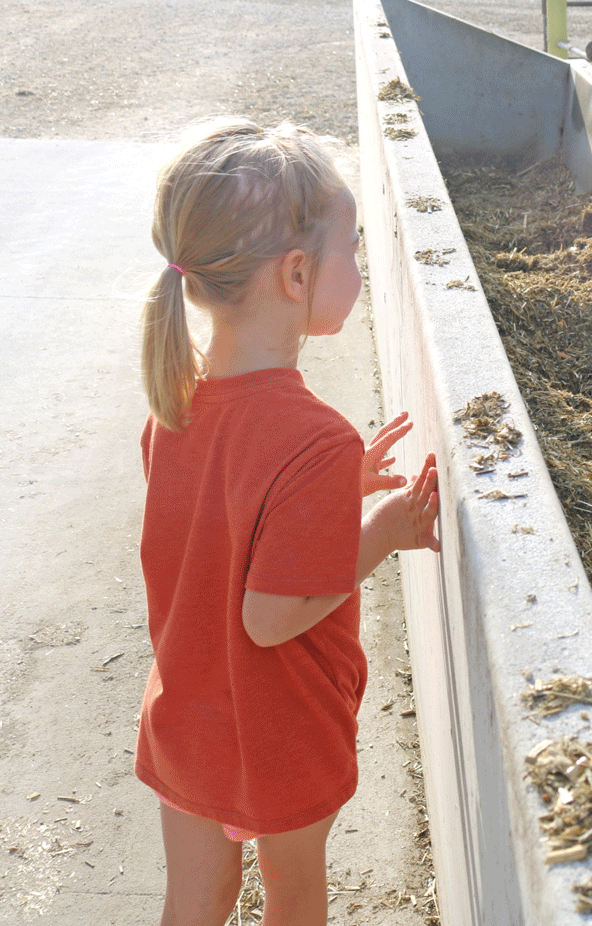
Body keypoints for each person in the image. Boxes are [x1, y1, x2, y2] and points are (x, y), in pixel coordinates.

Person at [135, 118, 440, 926]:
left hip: (187, 711)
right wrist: (382, 526)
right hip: (277, 725)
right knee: (294, 896)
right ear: (297, 274)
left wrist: (334, 491)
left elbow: (221, 525)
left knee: (197, 901)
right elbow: (271, 616)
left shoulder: (175, 400)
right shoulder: (311, 437)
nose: (360, 271)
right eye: (353, 252)